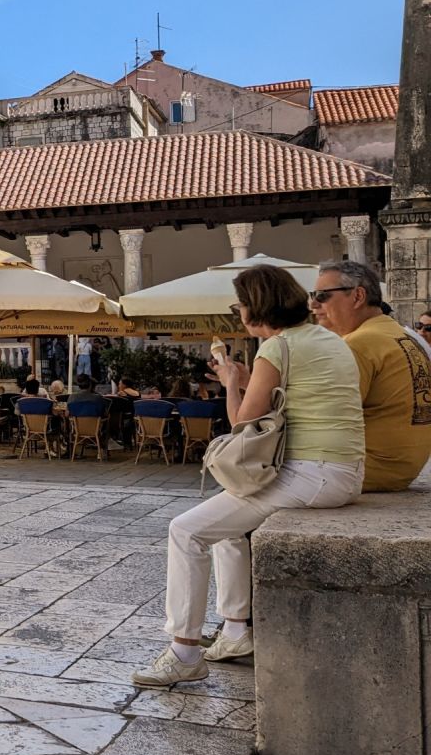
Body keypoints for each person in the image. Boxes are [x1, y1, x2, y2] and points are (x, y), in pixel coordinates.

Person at [133, 265, 364, 689]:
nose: (237, 312)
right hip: (345, 470)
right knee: (228, 528)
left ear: (254, 308)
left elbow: (242, 421)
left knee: (185, 530)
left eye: (239, 304)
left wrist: (230, 382)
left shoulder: (276, 349)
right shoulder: (329, 340)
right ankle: (236, 630)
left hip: (312, 474)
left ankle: (184, 651)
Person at [309, 259, 431, 491]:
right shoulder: (401, 335)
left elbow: (328, 419)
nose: (313, 304)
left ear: (358, 296)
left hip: (368, 468)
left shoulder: (359, 343)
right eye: (312, 294)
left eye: (322, 295)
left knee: (253, 471)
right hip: (404, 467)